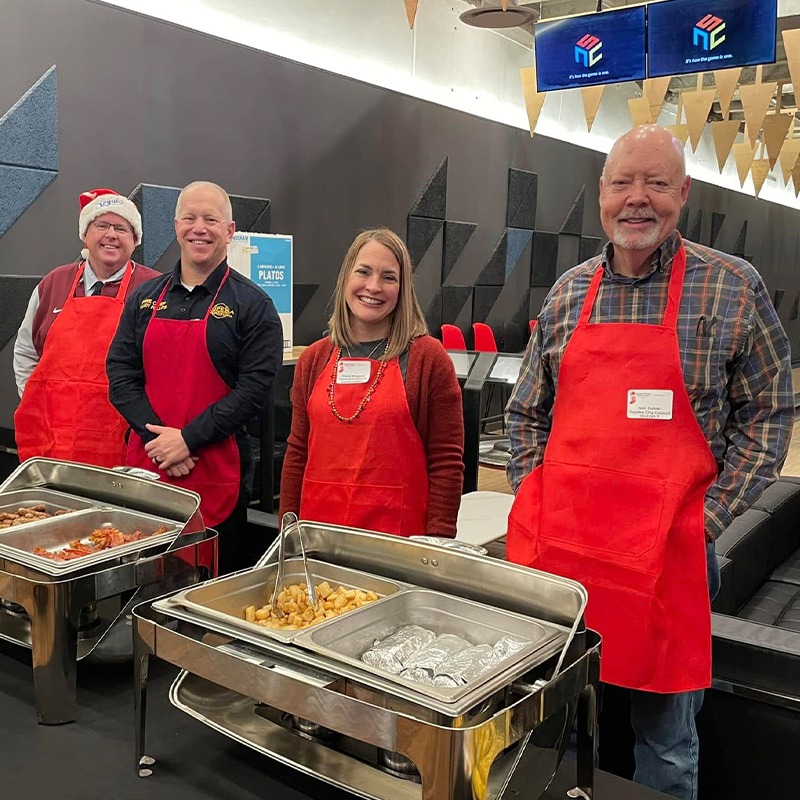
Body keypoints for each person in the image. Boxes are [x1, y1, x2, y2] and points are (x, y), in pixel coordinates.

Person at [505, 125, 793, 800]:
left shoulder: (731, 288)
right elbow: (524, 413)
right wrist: (533, 501)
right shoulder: (569, 293)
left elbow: (772, 411)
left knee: (666, 743)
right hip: (567, 561)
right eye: (622, 183)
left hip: (671, 561)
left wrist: (709, 519)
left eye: (656, 182)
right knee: (562, 727)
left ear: (683, 194)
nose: (638, 199)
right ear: (601, 196)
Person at [107, 181, 283, 573]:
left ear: (230, 231)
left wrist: (187, 439)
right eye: (189, 217)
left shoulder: (253, 306)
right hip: (149, 464)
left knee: (209, 588)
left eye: (211, 219)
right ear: (175, 226)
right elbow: (120, 373)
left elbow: (254, 392)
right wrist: (159, 440)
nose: (199, 228)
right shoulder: (144, 298)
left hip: (215, 470)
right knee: (141, 583)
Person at [279, 227, 464, 537]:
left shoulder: (428, 360)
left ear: (403, 288)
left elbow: (446, 462)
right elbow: (297, 451)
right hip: (318, 537)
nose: (373, 286)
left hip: (398, 543)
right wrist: (287, 529)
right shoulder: (314, 359)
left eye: (389, 277)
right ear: (345, 278)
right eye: (363, 272)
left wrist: (437, 544)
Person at [14, 188, 159, 467]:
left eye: (121, 228)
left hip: (125, 442)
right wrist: (35, 402)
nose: (111, 235)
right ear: (85, 234)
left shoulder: (155, 290)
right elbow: (25, 352)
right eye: (101, 225)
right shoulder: (53, 284)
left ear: (135, 239)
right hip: (53, 441)